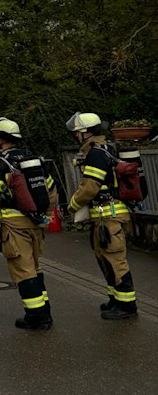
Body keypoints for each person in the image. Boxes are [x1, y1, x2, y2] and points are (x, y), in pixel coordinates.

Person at [0, 118, 57, 330]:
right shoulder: (34, 160)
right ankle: (45, 311)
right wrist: (44, 219)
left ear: (0, 140)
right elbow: (52, 192)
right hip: (35, 222)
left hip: (13, 225)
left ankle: (36, 317)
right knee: (35, 267)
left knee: (23, 270)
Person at [66, 112, 138, 320]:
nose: (75, 136)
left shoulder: (96, 154)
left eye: (77, 133)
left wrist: (72, 205)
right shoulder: (104, 150)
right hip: (105, 216)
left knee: (115, 259)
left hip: (110, 216)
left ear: (85, 133)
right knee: (105, 258)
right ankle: (116, 300)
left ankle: (127, 306)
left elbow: (90, 188)